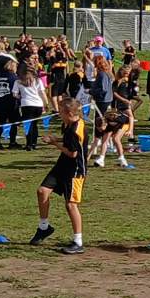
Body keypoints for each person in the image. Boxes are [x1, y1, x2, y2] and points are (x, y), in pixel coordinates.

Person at [31, 99, 90, 254]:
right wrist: (56, 139)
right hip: (62, 166)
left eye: (61, 112)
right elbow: (68, 140)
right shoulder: (68, 124)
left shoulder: (76, 130)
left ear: (69, 113)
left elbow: (73, 153)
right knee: (42, 191)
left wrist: (54, 143)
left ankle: (78, 242)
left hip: (75, 170)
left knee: (71, 205)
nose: (59, 114)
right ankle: (44, 227)